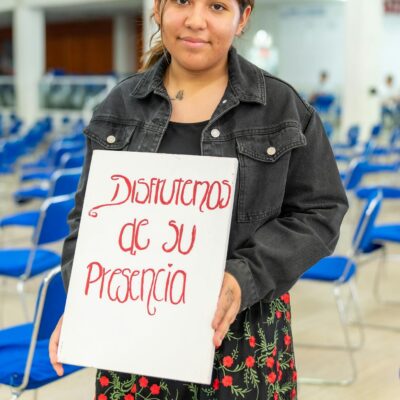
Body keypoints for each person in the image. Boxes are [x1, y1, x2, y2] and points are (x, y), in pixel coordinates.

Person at [49, 0, 348, 399]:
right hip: (135, 344)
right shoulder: (119, 107)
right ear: (158, 9)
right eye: (182, 1)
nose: (195, 20)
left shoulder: (282, 108)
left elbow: (321, 212)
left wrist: (243, 277)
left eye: (217, 6)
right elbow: (87, 218)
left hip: (242, 343)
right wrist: (87, 299)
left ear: (242, 18)